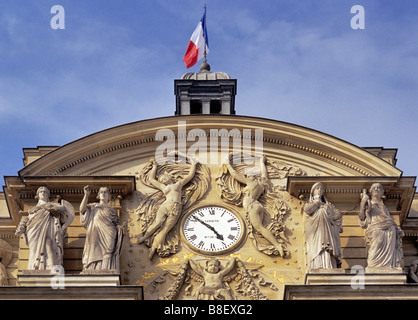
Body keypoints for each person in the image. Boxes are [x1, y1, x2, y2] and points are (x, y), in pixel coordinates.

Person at [224, 155, 286, 256]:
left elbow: (234, 175)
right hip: (258, 205)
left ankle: (277, 245)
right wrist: (262, 162)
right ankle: (276, 244)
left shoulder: (250, 182)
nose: (246, 177)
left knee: (259, 228)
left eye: (247, 175)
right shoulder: (262, 183)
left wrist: (228, 164)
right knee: (260, 228)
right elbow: (264, 173)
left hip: (251, 204)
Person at [138, 157, 197, 259]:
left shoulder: (178, 184)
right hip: (165, 205)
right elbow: (152, 179)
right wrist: (155, 167)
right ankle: (144, 237)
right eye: (161, 180)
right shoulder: (164, 187)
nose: (163, 180)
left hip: (175, 208)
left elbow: (190, 176)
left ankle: (153, 248)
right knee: (158, 222)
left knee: (165, 229)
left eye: (164, 178)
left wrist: (194, 164)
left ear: (169, 177)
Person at [15, 186, 73, 270]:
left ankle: (51, 266)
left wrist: (55, 208)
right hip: (34, 230)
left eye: (45, 192)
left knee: (49, 244)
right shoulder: (33, 209)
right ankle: (35, 266)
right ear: (38, 195)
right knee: (35, 250)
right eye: (41, 191)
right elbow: (28, 220)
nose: (43, 193)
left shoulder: (52, 205)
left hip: (49, 228)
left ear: (48, 195)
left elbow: (64, 212)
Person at [359, 183, 403, 270]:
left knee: (390, 251)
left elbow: (389, 218)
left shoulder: (384, 206)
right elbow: (362, 216)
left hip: (390, 230)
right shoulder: (369, 202)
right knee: (376, 247)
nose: (376, 189)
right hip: (376, 229)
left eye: (379, 188)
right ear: (371, 191)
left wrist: (397, 228)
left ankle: (388, 267)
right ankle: (374, 266)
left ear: (382, 192)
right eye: (374, 188)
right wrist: (363, 202)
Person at [80, 186, 124, 271]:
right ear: (98, 195)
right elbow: (82, 210)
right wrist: (86, 195)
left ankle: (106, 269)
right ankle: (92, 269)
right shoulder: (93, 207)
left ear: (109, 196)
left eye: (105, 192)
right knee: (93, 249)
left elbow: (116, 223)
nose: (103, 194)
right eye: (101, 192)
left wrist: (120, 228)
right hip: (95, 231)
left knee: (108, 251)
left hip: (110, 233)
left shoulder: (113, 211)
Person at [304, 182, 343, 270]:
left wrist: (333, 217)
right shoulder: (311, 204)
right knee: (318, 247)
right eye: (317, 188)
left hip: (327, 231)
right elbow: (307, 210)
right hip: (315, 232)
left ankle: (328, 265)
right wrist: (317, 202)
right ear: (312, 192)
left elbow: (338, 215)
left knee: (327, 247)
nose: (319, 190)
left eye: (321, 189)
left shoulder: (328, 206)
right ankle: (317, 265)